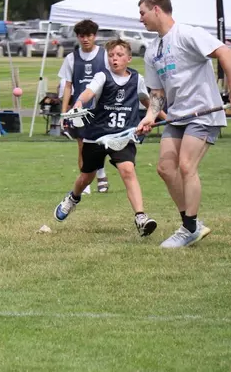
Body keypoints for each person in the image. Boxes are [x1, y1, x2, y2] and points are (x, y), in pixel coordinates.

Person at [136, 0, 231, 248]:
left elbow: (225, 53)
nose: (140, 19)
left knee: (186, 166)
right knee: (165, 168)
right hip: (177, 115)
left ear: (157, 9)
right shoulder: (152, 51)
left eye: (142, 13)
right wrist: (149, 117)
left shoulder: (188, 34)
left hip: (203, 111)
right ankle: (192, 225)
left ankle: (189, 227)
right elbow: (157, 94)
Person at [53, 39, 158, 236]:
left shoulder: (137, 79)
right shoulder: (102, 76)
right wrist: (77, 103)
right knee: (86, 176)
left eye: (119, 55)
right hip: (97, 136)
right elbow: (88, 92)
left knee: (128, 170)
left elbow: (148, 101)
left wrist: (161, 117)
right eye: (111, 55)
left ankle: (141, 217)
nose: (114, 59)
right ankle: (73, 198)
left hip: (123, 135)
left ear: (128, 58)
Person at [58, 20, 110, 194]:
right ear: (78, 37)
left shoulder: (104, 55)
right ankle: (85, 181)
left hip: (101, 108)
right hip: (79, 109)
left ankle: (101, 174)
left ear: (94, 36)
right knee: (82, 146)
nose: (85, 39)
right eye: (82, 36)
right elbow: (67, 86)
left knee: (101, 144)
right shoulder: (71, 58)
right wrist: (64, 112)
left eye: (89, 35)